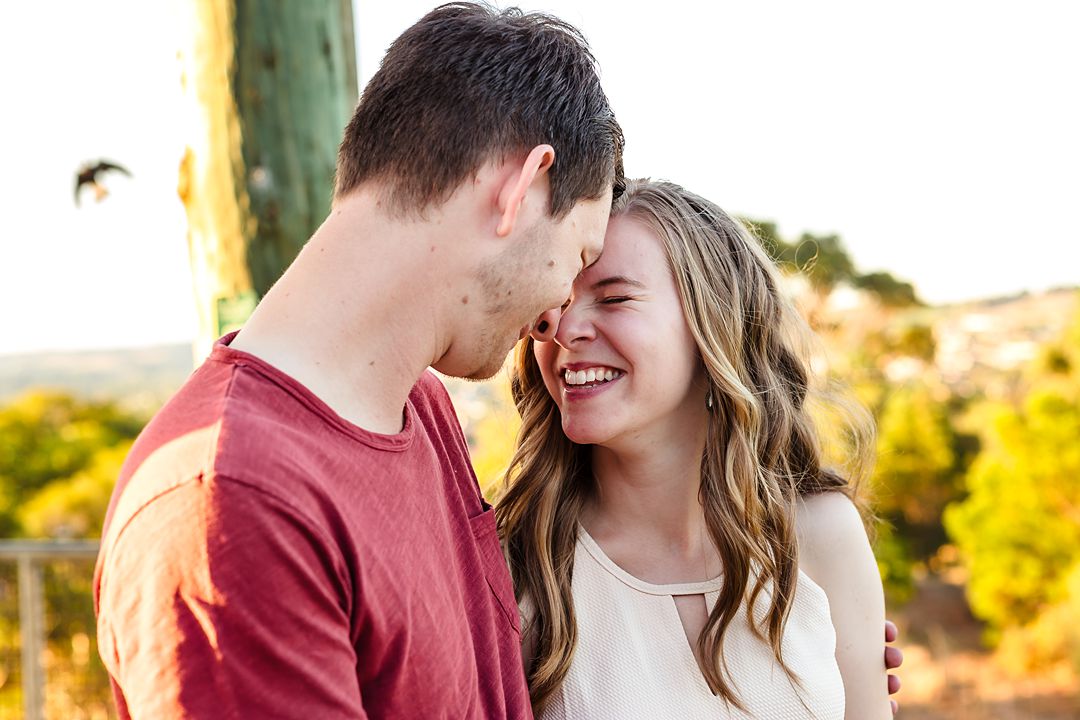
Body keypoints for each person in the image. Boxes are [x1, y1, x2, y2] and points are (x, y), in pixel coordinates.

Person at [93, 4, 623, 718]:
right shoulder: (231, 504)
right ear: (522, 189)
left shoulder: (421, 405)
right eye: (580, 254)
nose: (559, 312)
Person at [497, 178, 895, 719]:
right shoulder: (517, 566)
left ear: (714, 324)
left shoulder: (820, 534)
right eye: (553, 303)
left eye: (614, 298)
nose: (563, 329)